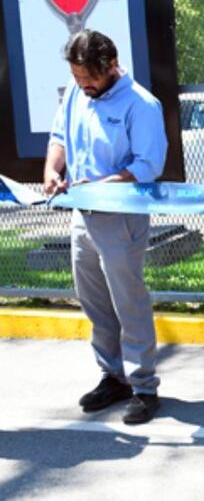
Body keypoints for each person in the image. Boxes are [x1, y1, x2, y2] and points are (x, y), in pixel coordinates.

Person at [43, 29, 167, 425]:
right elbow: (59, 137)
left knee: (128, 301)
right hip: (82, 216)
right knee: (93, 301)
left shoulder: (141, 105)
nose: (83, 85)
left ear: (112, 66)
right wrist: (51, 170)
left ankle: (144, 386)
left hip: (121, 219)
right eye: (76, 77)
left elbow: (148, 165)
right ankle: (113, 377)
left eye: (89, 78)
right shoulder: (77, 93)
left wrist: (102, 185)